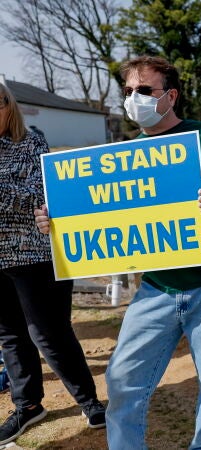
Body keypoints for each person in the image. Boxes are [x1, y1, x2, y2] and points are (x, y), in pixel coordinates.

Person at [35, 56, 201, 449]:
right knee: (122, 379)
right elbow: (93, 214)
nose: (134, 98)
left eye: (144, 90)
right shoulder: (120, 159)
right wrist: (55, 223)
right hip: (155, 289)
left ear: (171, 95)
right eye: (128, 92)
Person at [0, 82, 106, 446]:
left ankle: (89, 401)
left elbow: (41, 196)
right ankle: (28, 406)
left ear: (8, 106)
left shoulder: (33, 142)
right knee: (11, 336)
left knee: (49, 333)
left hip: (35, 254)